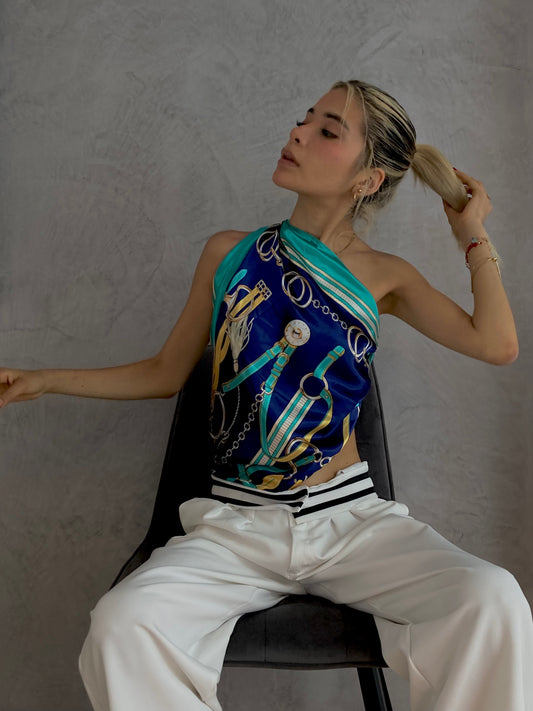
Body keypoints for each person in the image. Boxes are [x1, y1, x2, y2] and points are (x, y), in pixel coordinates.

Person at [1, 79, 531, 711]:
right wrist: (45, 379)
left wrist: (472, 234)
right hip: (237, 527)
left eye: (327, 130)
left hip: (350, 524)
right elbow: (166, 373)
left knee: (493, 600)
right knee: (121, 625)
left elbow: (497, 344)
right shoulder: (229, 254)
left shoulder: (385, 276)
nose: (298, 133)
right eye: (306, 119)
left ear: (368, 179)